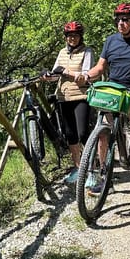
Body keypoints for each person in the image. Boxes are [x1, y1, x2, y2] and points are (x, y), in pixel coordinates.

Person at [75, 2, 130, 207]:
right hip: (112, 91)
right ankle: (104, 176)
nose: (121, 23)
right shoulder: (110, 41)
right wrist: (86, 75)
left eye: (125, 20)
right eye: (118, 19)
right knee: (103, 133)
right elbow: (100, 67)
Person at [44, 21, 94, 185]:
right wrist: (46, 76)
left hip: (81, 96)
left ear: (81, 37)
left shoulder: (87, 52)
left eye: (75, 35)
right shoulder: (62, 52)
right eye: (69, 35)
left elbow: (85, 75)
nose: (72, 38)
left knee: (83, 134)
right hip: (63, 97)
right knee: (70, 135)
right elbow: (56, 74)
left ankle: (92, 170)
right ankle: (79, 169)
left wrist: (66, 71)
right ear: (65, 37)